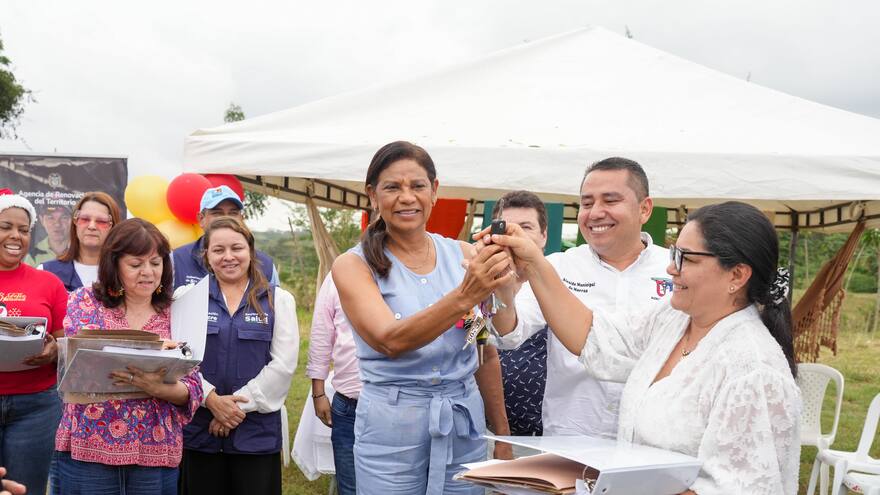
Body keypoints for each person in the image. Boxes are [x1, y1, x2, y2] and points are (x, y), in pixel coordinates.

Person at [487, 201, 802, 494]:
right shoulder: (675, 319)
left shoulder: (753, 372)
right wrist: (535, 264)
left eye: (687, 259)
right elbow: (601, 339)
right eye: (674, 254)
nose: (670, 269)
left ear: (737, 274)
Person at [332, 141, 516, 494]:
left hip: (463, 426)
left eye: (417, 186)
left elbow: (484, 346)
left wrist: (503, 435)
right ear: (372, 195)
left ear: (434, 192)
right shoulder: (353, 266)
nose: (406, 197)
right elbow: (390, 340)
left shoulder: (462, 254)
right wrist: (466, 293)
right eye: (392, 187)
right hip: (391, 432)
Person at [489, 157, 671, 438]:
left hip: (652, 440)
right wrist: (501, 289)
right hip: (573, 438)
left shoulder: (674, 270)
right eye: (586, 204)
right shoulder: (557, 267)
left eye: (610, 201)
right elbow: (508, 334)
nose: (595, 213)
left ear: (644, 208)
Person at [53, 218, 203, 495]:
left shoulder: (179, 310)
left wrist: (163, 389)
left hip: (155, 449)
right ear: (114, 264)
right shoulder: (85, 302)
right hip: (90, 446)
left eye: (156, 263)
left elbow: (194, 386)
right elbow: (77, 368)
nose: (148, 272)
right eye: (136, 264)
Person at [180, 217, 298, 495]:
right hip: (200, 432)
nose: (228, 257)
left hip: (255, 435)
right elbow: (180, 358)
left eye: (237, 248)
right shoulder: (186, 297)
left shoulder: (278, 300)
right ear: (206, 255)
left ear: (251, 252)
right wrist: (210, 399)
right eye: (218, 250)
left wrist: (233, 409)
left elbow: (283, 365)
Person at [0, 190, 67, 495]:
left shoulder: (49, 282)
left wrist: (55, 350)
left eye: (24, 230)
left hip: (36, 407)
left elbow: (69, 341)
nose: (16, 236)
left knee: (26, 490)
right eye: (6, 227)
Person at [490, 191, 549, 439]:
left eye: (526, 227)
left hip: (550, 431)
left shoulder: (561, 282)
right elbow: (473, 341)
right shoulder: (478, 285)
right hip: (489, 430)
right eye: (508, 228)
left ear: (544, 235)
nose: (516, 237)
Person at [306, 274, 362, 495]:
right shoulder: (342, 271)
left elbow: (474, 326)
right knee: (350, 486)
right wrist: (318, 393)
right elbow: (322, 334)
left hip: (405, 403)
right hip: (350, 405)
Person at [172, 185, 279, 289]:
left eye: (233, 213)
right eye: (217, 213)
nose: (226, 219)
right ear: (201, 219)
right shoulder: (176, 260)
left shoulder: (265, 265)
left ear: (242, 218)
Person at [42, 192, 123, 291]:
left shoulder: (125, 275)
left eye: (101, 221)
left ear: (113, 226)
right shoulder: (46, 272)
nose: (92, 226)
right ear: (75, 223)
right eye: (85, 219)